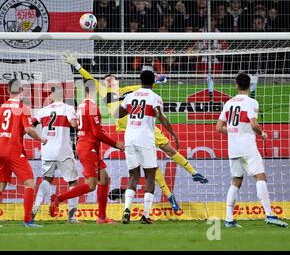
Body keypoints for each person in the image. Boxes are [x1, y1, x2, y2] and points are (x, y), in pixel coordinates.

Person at [63, 52, 209, 213]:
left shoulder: (131, 90)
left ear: (118, 81)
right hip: (133, 132)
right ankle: (170, 196)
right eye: (106, 80)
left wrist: (160, 79)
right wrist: (77, 65)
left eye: (111, 79)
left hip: (148, 127)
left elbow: (148, 87)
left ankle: (193, 172)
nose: (109, 81)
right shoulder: (105, 93)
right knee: (151, 168)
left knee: (168, 149)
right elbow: (89, 78)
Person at [216, 73, 287, 228]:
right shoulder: (252, 102)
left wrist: (234, 131)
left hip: (233, 148)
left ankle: (228, 219)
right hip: (247, 146)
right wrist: (262, 134)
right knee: (260, 176)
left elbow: (218, 127)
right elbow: (254, 124)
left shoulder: (228, 103)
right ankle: (269, 214)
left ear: (236, 85)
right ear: (249, 85)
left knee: (236, 180)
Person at [49, 79, 125, 223]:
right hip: (88, 147)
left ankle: (101, 217)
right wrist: (116, 144)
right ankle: (59, 199)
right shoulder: (91, 106)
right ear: (95, 90)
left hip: (86, 146)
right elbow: (96, 133)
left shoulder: (81, 106)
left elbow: (85, 127)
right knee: (91, 185)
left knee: (104, 178)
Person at [115, 70, 175, 224]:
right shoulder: (155, 98)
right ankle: (146, 215)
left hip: (129, 137)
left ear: (140, 81)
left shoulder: (130, 96)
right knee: (150, 176)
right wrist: (172, 133)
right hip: (145, 139)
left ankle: (126, 209)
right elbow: (160, 117)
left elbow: (117, 114)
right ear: (153, 82)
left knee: (133, 175)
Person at [0, 79, 47, 228]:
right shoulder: (22, 107)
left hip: (1, 150)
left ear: (7, 91)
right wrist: (41, 139)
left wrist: (5, 138)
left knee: (0, 184)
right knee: (29, 183)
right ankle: (27, 220)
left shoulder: (1, 108)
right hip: (14, 150)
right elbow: (29, 129)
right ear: (21, 90)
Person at [31, 86, 80, 223]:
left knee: (47, 179)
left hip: (47, 149)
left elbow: (30, 126)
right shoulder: (67, 108)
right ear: (63, 96)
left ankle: (35, 208)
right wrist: (78, 121)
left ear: (51, 96)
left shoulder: (42, 111)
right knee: (73, 181)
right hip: (63, 150)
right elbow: (74, 124)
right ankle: (71, 217)